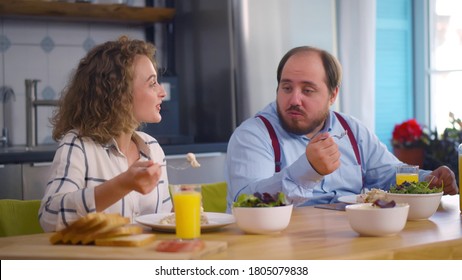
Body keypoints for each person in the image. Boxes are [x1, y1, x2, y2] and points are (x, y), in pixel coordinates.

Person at [225, 46, 458, 212]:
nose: (294, 99)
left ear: (333, 94)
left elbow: (389, 175)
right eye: (286, 88)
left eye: (307, 90)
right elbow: (246, 203)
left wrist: (430, 179)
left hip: (353, 240)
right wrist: (308, 170)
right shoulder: (253, 135)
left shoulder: (352, 130)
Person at [39, 36, 172, 232]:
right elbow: (49, 216)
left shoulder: (153, 148)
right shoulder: (78, 145)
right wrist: (121, 184)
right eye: (152, 84)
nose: (162, 92)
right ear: (120, 94)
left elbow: (164, 222)